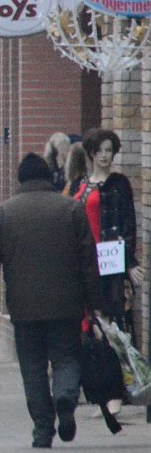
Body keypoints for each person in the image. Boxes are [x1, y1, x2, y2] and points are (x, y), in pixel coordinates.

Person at [0, 153, 104, 447]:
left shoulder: (4, 214)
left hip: (24, 308)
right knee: (66, 357)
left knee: (32, 367)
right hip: (67, 305)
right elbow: (89, 262)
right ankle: (66, 397)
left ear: (20, 179)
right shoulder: (71, 209)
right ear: (48, 177)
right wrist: (95, 303)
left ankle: (43, 429)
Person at [65, 127, 142, 341]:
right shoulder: (79, 184)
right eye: (99, 151)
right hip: (82, 257)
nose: (104, 155)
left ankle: (111, 366)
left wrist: (129, 260)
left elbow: (128, 223)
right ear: (91, 153)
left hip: (108, 259)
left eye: (108, 150)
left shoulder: (118, 184)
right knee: (82, 312)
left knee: (109, 314)